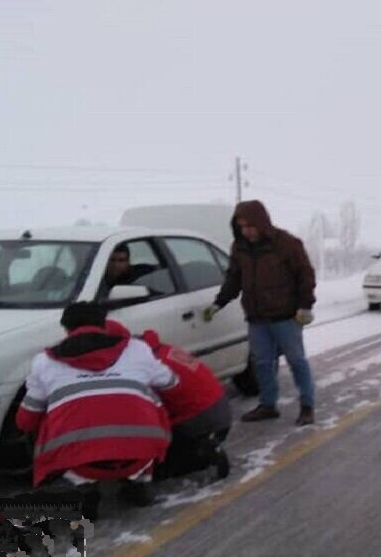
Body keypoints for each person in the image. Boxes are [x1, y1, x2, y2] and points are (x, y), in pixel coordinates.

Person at [16, 302, 176, 506]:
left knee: (45, 411)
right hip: (140, 451)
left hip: (78, 461)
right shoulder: (137, 349)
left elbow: (25, 421)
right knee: (148, 395)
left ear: (66, 329)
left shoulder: (44, 361)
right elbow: (171, 383)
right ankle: (140, 479)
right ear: (104, 324)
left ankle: (81, 484)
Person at [206, 200, 318, 427]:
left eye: (250, 226)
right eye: (242, 227)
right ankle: (268, 405)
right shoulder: (239, 247)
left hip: (286, 317)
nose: (247, 231)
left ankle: (307, 406)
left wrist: (305, 306)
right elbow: (234, 278)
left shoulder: (287, 244)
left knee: (296, 361)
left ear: (262, 223)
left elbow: (305, 275)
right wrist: (219, 303)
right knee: (262, 363)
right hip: (257, 318)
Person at [139, 329, 232, 480]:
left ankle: (203, 455)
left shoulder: (152, 365)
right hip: (220, 408)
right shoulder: (166, 350)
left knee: (160, 467)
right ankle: (205, 445)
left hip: (199, 417)